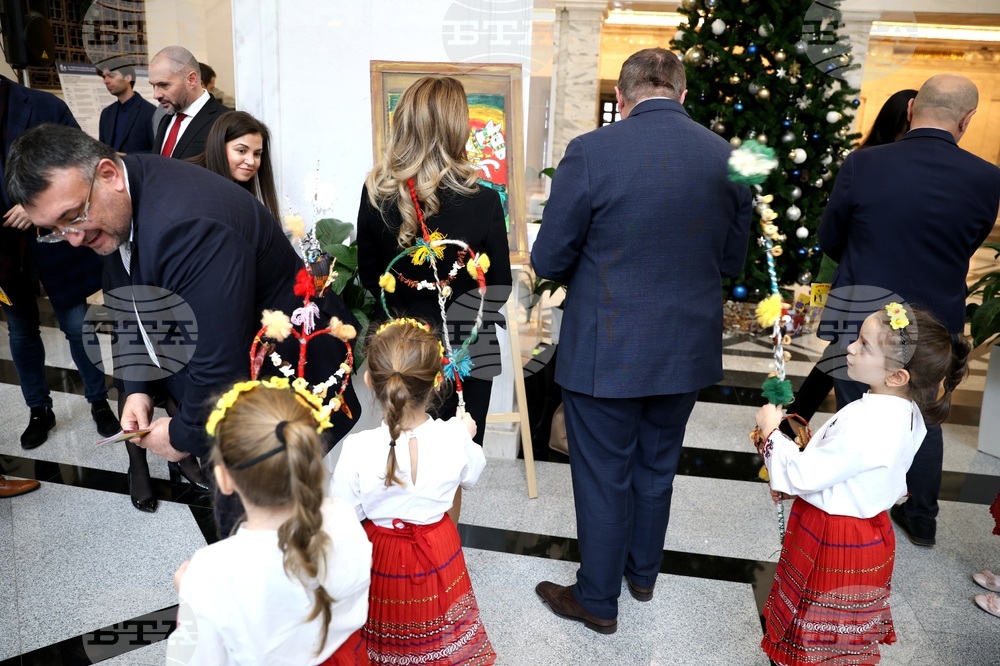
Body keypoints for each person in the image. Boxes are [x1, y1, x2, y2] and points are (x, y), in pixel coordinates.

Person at [5, 124, 360, 534]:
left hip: (278, 392)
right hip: (222, 391)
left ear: (108, 174)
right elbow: (127, 292)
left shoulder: (189, 226)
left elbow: (219, 365)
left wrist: (179, 434)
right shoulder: (119, 202)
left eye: (73, 218)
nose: (73, 238)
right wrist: (137, 387)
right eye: (55, 230)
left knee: (280, 532)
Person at [530, 47, 752, 633]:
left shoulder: (592, 151)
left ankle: (597, 600)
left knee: (604, 474)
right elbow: (733, 258)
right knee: (656, 467)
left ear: (622, 101)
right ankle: (642, 573)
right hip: (684, 347)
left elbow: (549, 256)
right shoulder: (730, 158)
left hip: (607, 346)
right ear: (682, 96)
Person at [818, 73, 1000, 547]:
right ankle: (922, 516)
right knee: (921, 412)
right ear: (967, 119)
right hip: (935, 313)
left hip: (859, 306)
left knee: (855, 407)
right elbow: (972, 239)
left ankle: (852, 510)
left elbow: (830, 238)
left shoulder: (863, 163)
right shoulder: (987, 177)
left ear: (912, 106)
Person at [754, 303, 970, 665]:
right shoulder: (907, 410)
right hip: (870, 531)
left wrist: (771, 431)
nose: (851, 348)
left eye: (864, 345)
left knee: (815, 625)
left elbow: (803, 475)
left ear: (898, 376)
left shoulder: (869, 422)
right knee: (838, 630)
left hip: (833, 536)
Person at [167, 380, 372, 665]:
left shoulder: (210, 573)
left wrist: (190, 596)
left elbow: (192, 660)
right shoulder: (343, 517)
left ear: (223, 478)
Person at [357, 75, 512, 451]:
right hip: (471, 349)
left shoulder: (377, 193)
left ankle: (403, 512)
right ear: (457, 127)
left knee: (403, 449)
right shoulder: (485, 200)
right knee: (457, 455)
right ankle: (447, 514)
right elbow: (500, 284)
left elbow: (369, 276)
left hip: (404, 349)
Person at [330, 317, 496, 664]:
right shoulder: (453, 438)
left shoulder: (360, 447)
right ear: (437, 382)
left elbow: (343, 515)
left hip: (383, 551)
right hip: (439, 546)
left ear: (369, 381)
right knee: (436, 622)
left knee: (386, 626)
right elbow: (473, 474)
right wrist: (465, 435)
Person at [786, 89, 918, 430]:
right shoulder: (867, 163)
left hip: (858, 289)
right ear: (908, 117)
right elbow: (834, 237)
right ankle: (793, 427)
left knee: (840, 358)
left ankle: (789, 425)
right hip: (856, 286)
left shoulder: (867, 160)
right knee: (845, 361)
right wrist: (821, 294)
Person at [0, 75, 119, 450]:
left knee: (77, 325)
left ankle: (99, 403)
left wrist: (31, 204)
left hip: (58, 241)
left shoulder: (42, 105)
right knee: (20, 332)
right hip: (5, 250)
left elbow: (80, 163)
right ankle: (39, 410)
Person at [189, 110, 281, 221]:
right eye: (241, 151)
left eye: (257, 154)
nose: (251, 161)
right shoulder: (191, 181)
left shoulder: (239, 190)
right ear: (219, 146)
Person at [150, 46, 231, 159]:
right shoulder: (166, 119)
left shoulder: (224, 121)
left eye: (164, 85)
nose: (156, 94)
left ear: (192, 79)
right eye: (153, 86)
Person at [97, 65, 157, 154]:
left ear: (128, 78)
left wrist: (127, 157)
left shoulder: (151, 112)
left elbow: (158, 153)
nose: (105, 81)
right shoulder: (106, 113)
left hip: (137, 167)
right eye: (104, 77)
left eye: (111, 76)